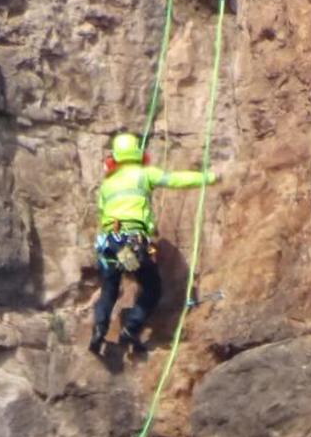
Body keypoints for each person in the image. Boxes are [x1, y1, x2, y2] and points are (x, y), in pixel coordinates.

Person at [89, 131, 217, 356]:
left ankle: (99, 329)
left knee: (109, 290)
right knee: (151, 287)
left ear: (116, 156)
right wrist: (208, 177)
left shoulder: (107, 184)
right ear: (137, 153)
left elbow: (102, 213)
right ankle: (131, 329)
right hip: (131, 241)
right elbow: (174, 180)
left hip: (108, 243)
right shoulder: (143, 174)